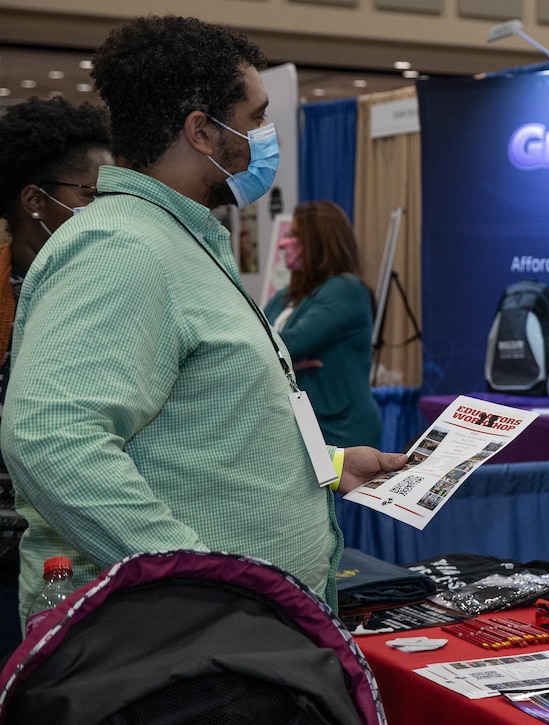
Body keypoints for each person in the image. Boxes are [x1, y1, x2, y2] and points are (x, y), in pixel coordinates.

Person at [0, 15, 407, 628]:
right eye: (255, 118)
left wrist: (330, 464)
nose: (265, 136)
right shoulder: (123, 245)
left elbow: (212, 419)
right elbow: (53, 438)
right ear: (202, 132)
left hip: (237, 628)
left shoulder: (182, 240)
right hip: (185, 638)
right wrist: (196, 575)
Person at [0, 96, 113, 654]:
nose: (108, 210)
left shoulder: (104, 286)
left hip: (71, 561)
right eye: (93, 195)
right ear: (34, 200)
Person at [264, 201, 382, 448]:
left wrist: (286, 360)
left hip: (340, 430)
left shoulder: (347, 288)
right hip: (297, 426)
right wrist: (288, 362)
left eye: (294, 235)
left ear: (319, 240)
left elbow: (291, 344)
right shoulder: (286, 295)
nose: (284, 243)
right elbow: (254, 341)